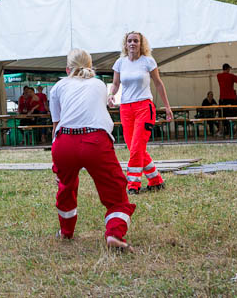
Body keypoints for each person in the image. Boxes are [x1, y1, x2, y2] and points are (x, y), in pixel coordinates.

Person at [50, 48, 136, 251]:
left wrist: (57, 166)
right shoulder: (98, 85)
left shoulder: (58, 87)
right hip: (95, 140)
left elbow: (56, 126)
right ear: (90, 67)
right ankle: (114, 233)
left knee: (66, 187)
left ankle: (66, 232)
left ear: (67, 68)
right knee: (116, 194)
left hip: (65, 142)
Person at [108, 31, 173, 194]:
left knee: (137, 147)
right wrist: (111, 95)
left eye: (136, 41)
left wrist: (167, 106)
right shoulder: (119, 63)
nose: (132, 43)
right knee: (134, 148)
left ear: (141, 44)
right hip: (125, 108)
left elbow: (158, 84)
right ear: (125, 44)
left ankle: (133, 185)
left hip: (145, 107)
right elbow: (115, 85)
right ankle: (156, 180)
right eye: (129, 41)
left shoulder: (148, 61)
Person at [217, 63, 237, 135]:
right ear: (228, 69)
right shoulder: (231, 76)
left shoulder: (218, 76)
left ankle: (221, 131)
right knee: (235, 114)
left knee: (222, 116)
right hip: (232, 99)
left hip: (222, 99)